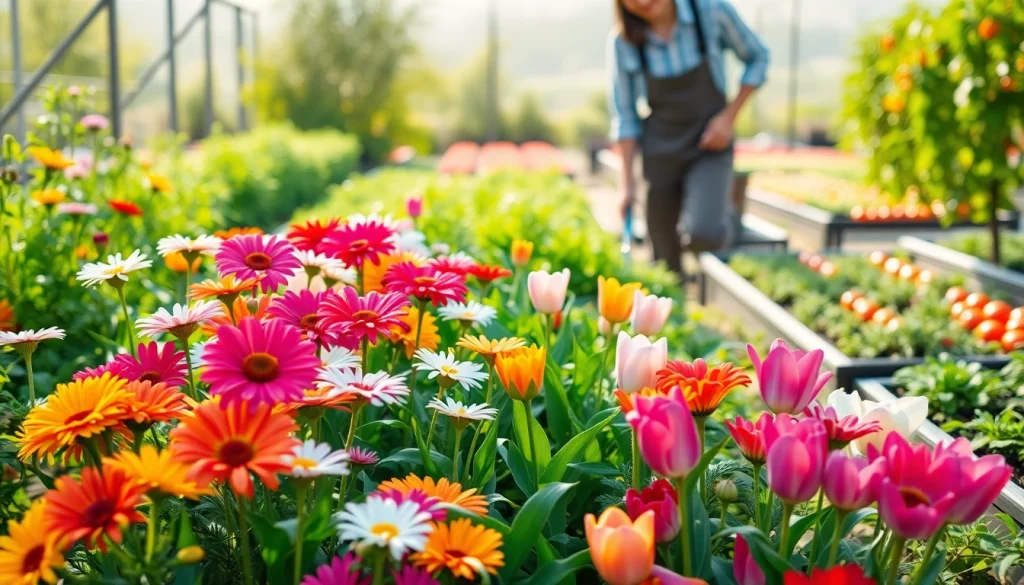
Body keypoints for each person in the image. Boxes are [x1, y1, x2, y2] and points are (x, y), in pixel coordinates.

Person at [609, 0, 769, 275]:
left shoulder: (711, 12)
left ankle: (724, 219)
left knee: (702, 234)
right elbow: (624, 116)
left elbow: (758, 56)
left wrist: (727, 118)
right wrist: (626, 186)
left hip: (709, 143)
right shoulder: (624, 40)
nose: (643, 2)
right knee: (663, 257)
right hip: (659, 150)